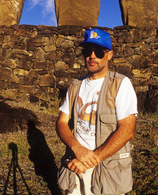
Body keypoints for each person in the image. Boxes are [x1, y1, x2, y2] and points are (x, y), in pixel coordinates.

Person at [56, 29, 138, 195]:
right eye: (87, 51)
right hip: (75, 167)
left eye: (99, 52)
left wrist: (91, 160)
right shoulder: (74, 86)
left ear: (109, 55)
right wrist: (76, 148)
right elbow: (61, 122)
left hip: (107, 171)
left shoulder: (121, 84)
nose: (92, 56)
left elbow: (127, 130)